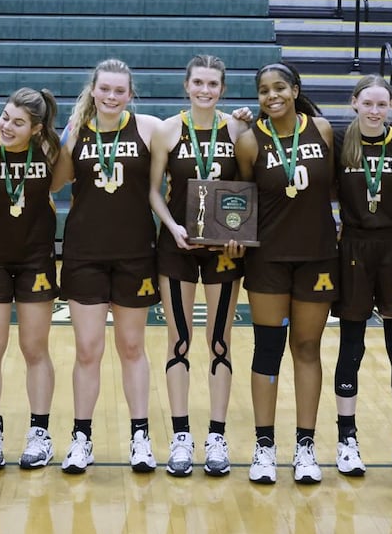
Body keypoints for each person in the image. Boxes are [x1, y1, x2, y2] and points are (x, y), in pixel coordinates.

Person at [52, 60, 163, 475]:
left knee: (132, 347)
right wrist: (63, 138)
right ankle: (82, 438)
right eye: (105, 90)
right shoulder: (77, 131)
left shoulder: (149, 128)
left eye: (120, 90)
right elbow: (56, 183)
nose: (112, 97)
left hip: (135, 253)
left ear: (130, 94)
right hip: (85, 253)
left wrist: (238, 119)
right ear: (93, 90)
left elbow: (203, 132)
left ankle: (140, 437)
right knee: (87, 350)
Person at [234, 63, 339, 485]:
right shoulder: (249, 140)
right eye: (263, 90)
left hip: (316, 257)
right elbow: (241, 198)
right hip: (268, 259)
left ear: (295, 90)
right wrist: (231, 233)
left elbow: (332, 188)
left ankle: (306, 446)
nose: (271, 95)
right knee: (268, 349)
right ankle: (263, 447)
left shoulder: (323, 130)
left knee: (308, 348)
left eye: (279, 87)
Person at [148, 56, 247, 476]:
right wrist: (171, 227)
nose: (205, 90)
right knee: (180, 339)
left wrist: (241, 229)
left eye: (213, 84)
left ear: (222, 89)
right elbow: (153, 190)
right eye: (198, 83)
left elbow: (249, 186)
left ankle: (218, 437)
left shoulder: (238, 128)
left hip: (224, 246)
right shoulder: (167, 130)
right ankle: (182, 437)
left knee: (220, 340)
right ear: (186, 85)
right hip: (178, 244)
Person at [0, 88, 64, 471]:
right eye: (5, 116)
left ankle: (40, 434)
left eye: (18, 122)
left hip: (36, 258)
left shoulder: (52, 151)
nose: (7, 125)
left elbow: (59, 187)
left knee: (35, 349)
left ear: (36, 129)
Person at [333, 77, 392, 477]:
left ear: (391, 106)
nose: (374, 110)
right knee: (351, 344)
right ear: (354, 103)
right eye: (367, 102)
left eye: (382, 104)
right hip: (352, 246)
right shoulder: (338, 143)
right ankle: (346, 438)